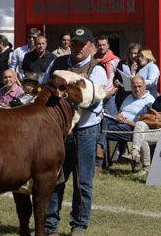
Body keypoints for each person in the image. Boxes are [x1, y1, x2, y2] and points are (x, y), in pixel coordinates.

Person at [43, 26, 109, 236]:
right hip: (60, 132)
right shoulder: (57, 63)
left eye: (82, 44)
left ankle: (79, 225)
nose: (77, 48)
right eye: (75, 43)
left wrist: (64, 94)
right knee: (55, 179)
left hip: (85, 131)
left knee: (83, 182)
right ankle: (50, 225)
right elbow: (46, 87)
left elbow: (93, 102)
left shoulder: (96, 69)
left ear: (90, 46)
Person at [99, 76, 154, 168]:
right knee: (99, 123)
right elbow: (121, 111)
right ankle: (100, 160)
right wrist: (118, 115)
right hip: (118, 122)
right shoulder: (129, 97)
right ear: (131, 87)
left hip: (132, 129)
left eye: (139, 86)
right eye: (134, 87)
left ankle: (99, 162)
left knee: (101, 130)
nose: (137, 89)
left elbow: (146, 126)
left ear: (145, 86)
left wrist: (128, 122)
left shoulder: (150, 101)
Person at [114, 43, 140, 108]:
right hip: (123, 95)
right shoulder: (122, 63)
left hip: (137, 95)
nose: (133, 56)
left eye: (135, 53)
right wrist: (116, 82)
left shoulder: (141, 65)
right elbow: (117, 76)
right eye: (131, 53)